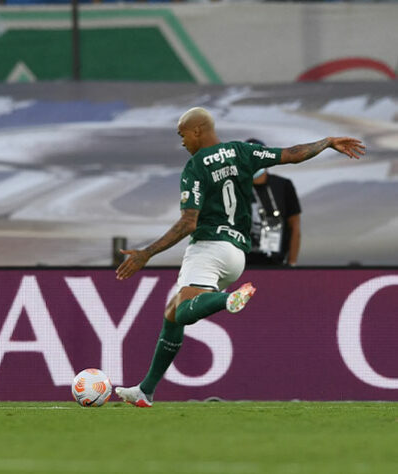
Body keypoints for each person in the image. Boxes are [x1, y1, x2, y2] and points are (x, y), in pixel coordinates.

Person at [113, 107, 364, 407]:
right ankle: (146, 391)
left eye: (182, 135)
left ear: (197, 131)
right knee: (171, 314)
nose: (182, 143)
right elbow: (293, 154)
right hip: (237, 254)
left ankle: (226, 300)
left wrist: (146, 253)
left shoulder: (196, 167)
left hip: (208, 247)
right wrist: (326, 142)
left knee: (181, 311)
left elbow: (188, 223)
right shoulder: (242, 151)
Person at [245, 138, 301, 267]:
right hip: (241, 264)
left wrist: (292, 263)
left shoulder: (283, 185)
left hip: (276, 263)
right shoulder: (234, 187)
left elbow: (295, 226)